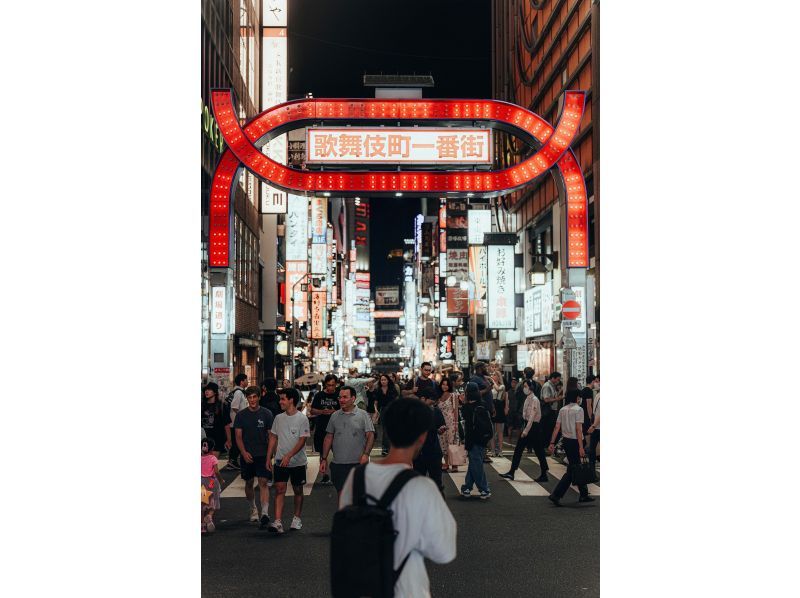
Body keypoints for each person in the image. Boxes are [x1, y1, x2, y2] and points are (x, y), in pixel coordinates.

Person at [337, 398, 457, 598]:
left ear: (388, 432)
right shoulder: (422, 487)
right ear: (422, 437)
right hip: (407, 589)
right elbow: (443, 551)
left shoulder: (356, 478)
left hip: (362, 585)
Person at [266, 387, 310, 534]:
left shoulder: (302, 418)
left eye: (283, 399)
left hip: (297, 461)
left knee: (298, 489)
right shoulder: (278, 418)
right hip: (280, 460)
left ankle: (297, 518)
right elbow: (273, 437)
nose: (280, 402)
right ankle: (278, 521)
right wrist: (269, 457)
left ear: (291, 400)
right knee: (279, 489)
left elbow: (302, 440)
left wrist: (289, 455)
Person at [319, 386, 375, 494]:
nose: (341, 400)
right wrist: (324, 458)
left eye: (345, 397)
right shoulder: (335, 416)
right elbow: (328, 437)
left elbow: (370, 435)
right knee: (342, 494)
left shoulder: (363, 415)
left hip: (358, 463)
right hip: (338, 464)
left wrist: (366, 454)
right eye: (340, 397)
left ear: (353, 398)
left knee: (358, 496)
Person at [233, 385, 275, 527]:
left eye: (254, 397)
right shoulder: (241, 415)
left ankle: (264, 512)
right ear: (247, 398)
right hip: (248, 454)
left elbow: (271, 437)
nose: (252, 400)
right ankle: (253, 508)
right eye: (249, 397)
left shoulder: (267, 414)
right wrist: (243, 453)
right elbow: (238, 436)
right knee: (249, 482)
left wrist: (270, 456)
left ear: (259, 397)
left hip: (262, 454)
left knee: (263, 482)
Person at [547, 390, 594, 505]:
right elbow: (579, 429)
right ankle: (556, 495)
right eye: (579, 397)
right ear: (577, 398)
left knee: (575, 466)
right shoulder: (579, 409)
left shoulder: (563, 409)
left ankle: (583, 494)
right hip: (575, 441)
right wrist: (581, 447)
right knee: (573, 469)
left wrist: (552, 442)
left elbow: (557, 427)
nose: (580, 399)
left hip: (566, 442)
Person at [499, 378, 549, 482]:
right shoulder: (528, 398)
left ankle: (544, 473)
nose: (524, 388)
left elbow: (532, 417)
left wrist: (525, 431)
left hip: (534, 428)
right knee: (520, 450)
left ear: (531, 388)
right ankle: (512, 472)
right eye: (524, 386)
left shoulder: (534, 399)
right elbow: (526, 415)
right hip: (528, 426)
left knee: (538, 451)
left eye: (526, 386)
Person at [459, 382, 492, 499]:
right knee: (474, 463)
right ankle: (466, 487)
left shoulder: (467, 407)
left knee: (476, 464)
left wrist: (463, 403)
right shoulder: (482, 404)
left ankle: (484, 489)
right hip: (482, 438)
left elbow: (465, 422)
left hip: (472, 439)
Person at [413, 390, 447, 494]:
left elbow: (441, 425)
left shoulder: (436, 411)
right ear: (423, 399)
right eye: (431, 401)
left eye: (434, 402)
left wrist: (441, 429)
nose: (433, 403)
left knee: (437, 483)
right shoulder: (414, 412)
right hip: (419, 453)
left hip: (434, 451)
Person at [310, 374, 341, 485]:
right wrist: (322, 412)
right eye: (328, 385)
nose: (331, 388)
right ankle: (325, 475)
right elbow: (312, 410)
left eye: (333, 385)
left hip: (337, 428)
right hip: (322, 427)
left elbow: (344, 409)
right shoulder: (319, 395)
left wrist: (334, 412)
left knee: (338, 452)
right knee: (323, 453)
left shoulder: (338, 395)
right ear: (325, 385)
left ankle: (337, 474)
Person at [223, 373, 248, 470]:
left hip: (235, 421)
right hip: (236, 422)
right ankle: (232, 461)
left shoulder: (235, 391)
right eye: (246, 380)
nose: (247, 381)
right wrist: (243, 416)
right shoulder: (238, 392)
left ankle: (232, 461)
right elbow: (234, 406)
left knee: (235, 441)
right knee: (237, 442)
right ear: (242, 381)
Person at [370, 373, 399, 456]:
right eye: (382, 380)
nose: (383, 381)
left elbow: (396, 400)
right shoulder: (378, 390)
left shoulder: (392, 389)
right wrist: (376, 410)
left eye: (385, 379)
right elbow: (375, 402)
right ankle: (386, 449)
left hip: (392, 410)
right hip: (382, 411)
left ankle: (390, 449)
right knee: (385, 431)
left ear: (388, 380)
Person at [201, 437, 224, 533]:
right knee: (213, 500)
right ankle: (209, 516)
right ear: (212, 448)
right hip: (211, 481)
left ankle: (202, 526)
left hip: (201, 482)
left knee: (202, 503)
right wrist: (221, 480)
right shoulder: (213, 458)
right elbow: (216, 472)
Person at [437, 378, 460, 472]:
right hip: (441, 423)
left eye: (446, 384)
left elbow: (456, 410)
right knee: (443, 443)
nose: (445, 386)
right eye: (443, 384)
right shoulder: (438, 396)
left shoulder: (453, 395)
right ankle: (446, 463)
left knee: (452, 443)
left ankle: (454, 464)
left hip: (451, 422)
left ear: (449, 386)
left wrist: (456, 423)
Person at [540, 371, 562, 453]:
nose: (558, 381)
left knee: (550, 429)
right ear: (553, 378)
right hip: (548, 411)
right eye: (558, 379)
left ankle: (547, 447)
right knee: (547, 429)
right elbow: (546, 399)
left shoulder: (552, 386)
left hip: (551, 410)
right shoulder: (547, 386)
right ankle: (545, 447)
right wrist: (558, 399)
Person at [201, 382, 225, 457]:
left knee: (212, 464)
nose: (206, 391)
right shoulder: (201, 405)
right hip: (203, 439)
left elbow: (226, 424)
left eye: (209, 390)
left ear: (215, 392)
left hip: (217, 439)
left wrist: (229, 440)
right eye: (205, 390)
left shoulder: (221, 406)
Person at [490, 370, 508, 457]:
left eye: (494, 375)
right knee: (492, 431)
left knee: (499, 431)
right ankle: (493, 450)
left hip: (499, 407)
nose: (493, 376)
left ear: (498, 376)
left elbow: (497, 389)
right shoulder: (490, 386)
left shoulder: (502, 386)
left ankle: (500, 450)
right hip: (492, 406)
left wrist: (492, 381)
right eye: (492, 375)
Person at [586, 391, 600, 472]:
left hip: (595, 426)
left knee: (592, 448)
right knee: (592, 449)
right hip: (598, 427)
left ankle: (591, 470)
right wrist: (594, 425)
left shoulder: (597, 395)